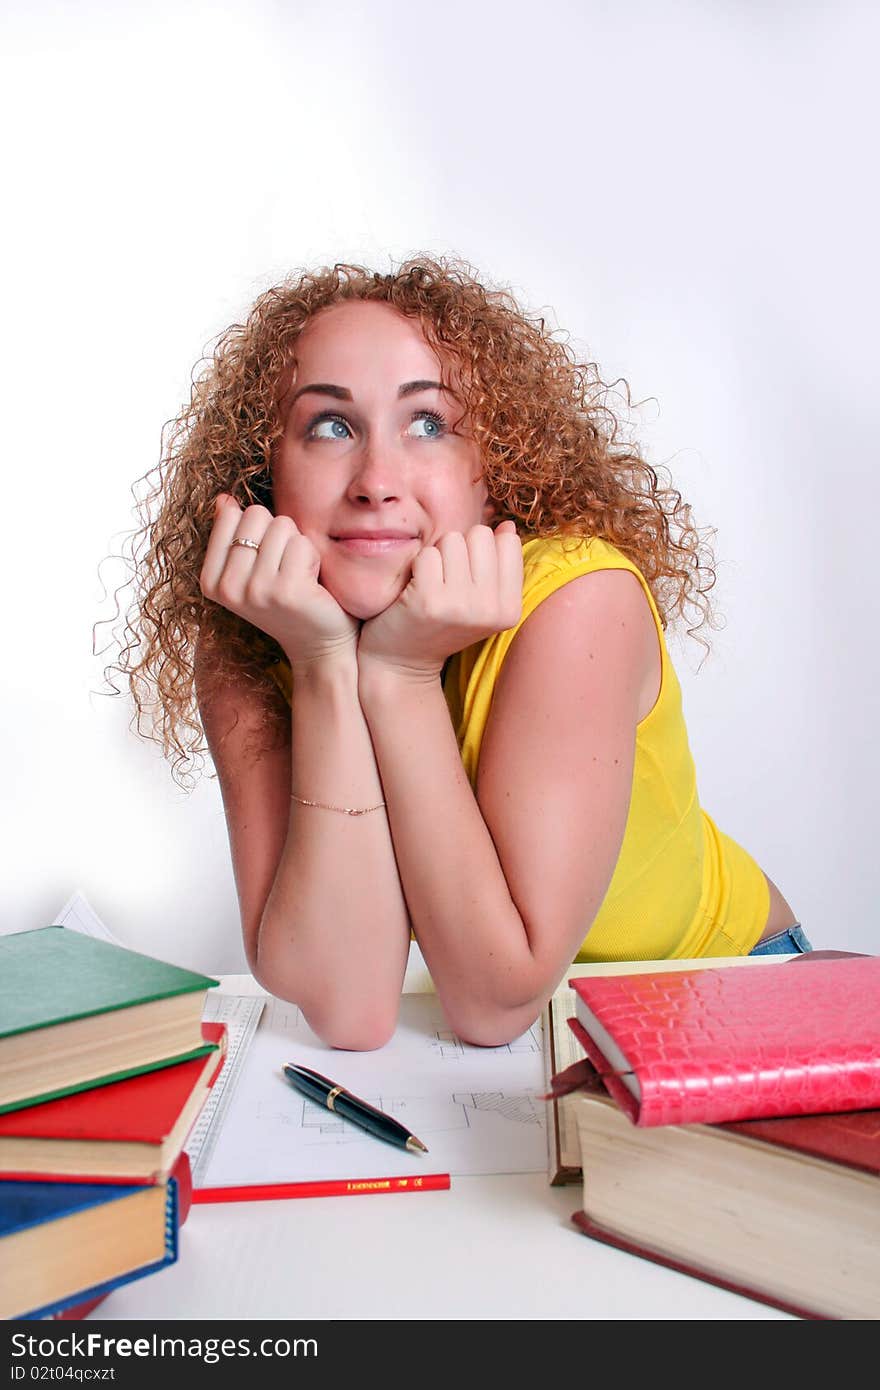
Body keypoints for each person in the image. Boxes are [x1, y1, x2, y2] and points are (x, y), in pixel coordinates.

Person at [116, 257, 807, 1051]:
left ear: (496, 469)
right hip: (543, 1050)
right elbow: (352, 1009)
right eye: (331, 426)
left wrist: (403, 675)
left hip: (724, 993)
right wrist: (323, 667)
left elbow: (494, 1004)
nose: (377, 480)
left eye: (429, 424)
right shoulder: (255, 632)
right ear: (263, 472)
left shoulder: (577, 603)